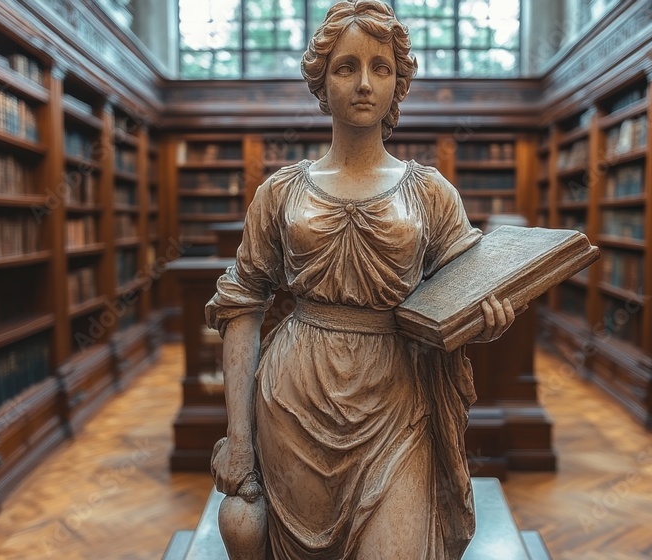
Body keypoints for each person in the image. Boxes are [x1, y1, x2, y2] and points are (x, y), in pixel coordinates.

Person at [206, 1, 516, 558]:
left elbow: (466, 293)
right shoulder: (281, 191)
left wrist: (485, 322)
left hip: (396, 397)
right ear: (322, 81)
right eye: (346, 67)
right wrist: (238, 440)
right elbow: (241, 306)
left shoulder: (429, 192)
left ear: (399, 82)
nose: (364, 83)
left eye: (381, 67)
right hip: (292, 398)